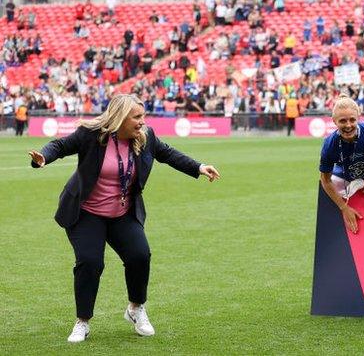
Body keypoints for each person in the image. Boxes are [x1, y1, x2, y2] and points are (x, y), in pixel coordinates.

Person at [27, 94, 220, 343]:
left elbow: (169, 154)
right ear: (120, 118)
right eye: (137, 117)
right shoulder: (91, 135)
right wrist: (43, 157)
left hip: (122, 213)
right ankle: (82, 322)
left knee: (140, 255)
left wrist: (199, 167)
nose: (143, 121)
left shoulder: (146, 137)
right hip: (86, 212)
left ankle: (135, 308)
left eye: (143, 116)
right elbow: (60, 146)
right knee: (90, 262)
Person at [317, 98, 364, 234]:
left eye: (352, 120)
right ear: (334, 121)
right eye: (343, 121)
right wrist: (344, 207)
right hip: (345, 178)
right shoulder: (329, 145)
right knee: (331, 200)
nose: (348, 125)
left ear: (358, 118)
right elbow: (325, 180)